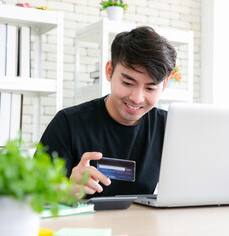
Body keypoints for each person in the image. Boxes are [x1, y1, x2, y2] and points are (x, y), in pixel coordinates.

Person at [39, 26, 177, 198]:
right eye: (128, 83)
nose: (137, 98)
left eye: (150, 88)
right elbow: (31, 194)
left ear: (163, 86)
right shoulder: (68, 123)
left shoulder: (170, 128)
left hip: (143, 223)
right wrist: (66, 188)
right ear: (109, 71)